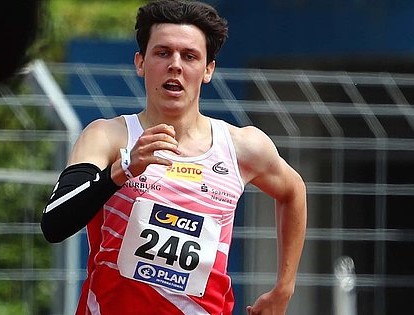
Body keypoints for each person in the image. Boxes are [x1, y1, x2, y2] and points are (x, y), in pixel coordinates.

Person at [40, 1, 307, 314]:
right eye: (163, 53)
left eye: (190, 56)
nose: (175, 65)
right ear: (140, 62)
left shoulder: (241, 146)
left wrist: (283, 289)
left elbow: (294, 192)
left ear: (208, 70)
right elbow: (54, 224)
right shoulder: (110, 137)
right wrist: (124, 168)